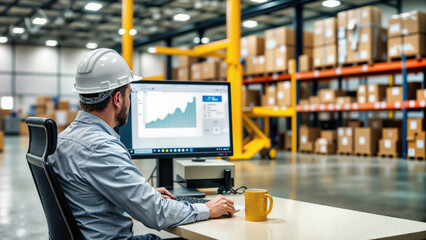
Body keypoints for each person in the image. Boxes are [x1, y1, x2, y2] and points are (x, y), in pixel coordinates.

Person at [48, 48, 235, 240]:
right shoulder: (101, 148)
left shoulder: (64, 139)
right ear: (118, 99)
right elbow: (157, 214)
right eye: (130, 94)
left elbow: (87, 193)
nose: (130, 100)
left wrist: (141, 193)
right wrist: (206, 208)